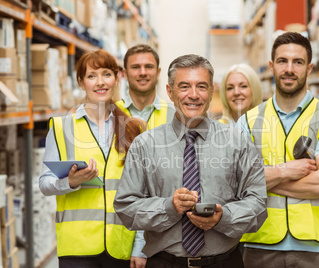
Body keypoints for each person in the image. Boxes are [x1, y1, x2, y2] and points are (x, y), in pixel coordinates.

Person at [114, 54, 268, 268]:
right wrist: (168, 207)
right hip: (164, 263)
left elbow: (258, 204)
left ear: (212, 91)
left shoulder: (237, 142)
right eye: (184, 86)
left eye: (202, 87)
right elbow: (125, 206)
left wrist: (224, 217)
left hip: (224, 262)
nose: (193, 95)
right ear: (170, 91)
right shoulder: (145, 145)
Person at [237, 32, 319, 268]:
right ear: (271, 66)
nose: (289, 69)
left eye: (297, 62)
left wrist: (263, 180)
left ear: (309, 69)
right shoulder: (248, 121)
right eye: (282, 61)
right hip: (259, 244)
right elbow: (235, 182)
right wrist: (284, 171)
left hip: (317, 249)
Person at [39, 50, 147, 268]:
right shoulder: (61, 128)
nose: (100, 82)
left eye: (107, 74)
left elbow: (144, 192)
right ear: (81, 82)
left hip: (120, 247)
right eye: (91, 76)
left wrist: (140, 246)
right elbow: (44, 184)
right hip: (77, 248)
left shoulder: (133, 128)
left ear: (117, 79)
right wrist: (70, 182)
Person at [115, 44, 175, 129]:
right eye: (135, 67)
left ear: (158, 72)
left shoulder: (174, 115)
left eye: (149, 67)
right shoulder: (111, 113)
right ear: (125, 74)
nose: (143, 72)